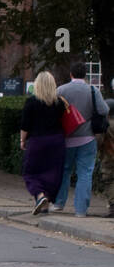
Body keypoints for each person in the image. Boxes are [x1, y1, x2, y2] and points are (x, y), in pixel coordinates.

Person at [55, 62, 109, 216]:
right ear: (85, 75)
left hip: (65, 138)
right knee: (85, 173)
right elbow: (104, 109)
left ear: (71, 74)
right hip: (87, 137)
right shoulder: (93, 90)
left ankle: (59, 203)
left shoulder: (61, 90)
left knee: (64, 171)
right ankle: (80, 210)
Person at [20, 70, 67, 215]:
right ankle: (46, 201)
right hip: (57, 141)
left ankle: (40, 195)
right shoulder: (60, 102)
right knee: (53, 173)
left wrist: (22, 140)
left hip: (37, 141)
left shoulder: (32, 102)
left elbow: (25, 125)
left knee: (30, 172)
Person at [92, 126, 114, 217]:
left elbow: (99, 140)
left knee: (109, 180)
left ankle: (113, 207)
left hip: (109, 154)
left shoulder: (107, 123)